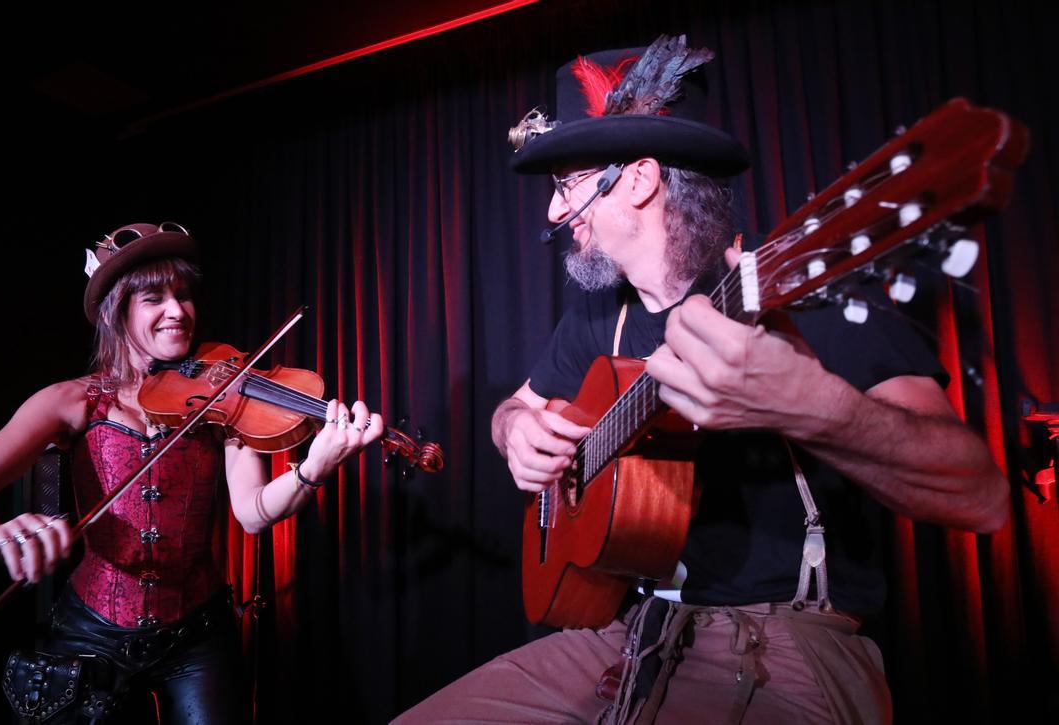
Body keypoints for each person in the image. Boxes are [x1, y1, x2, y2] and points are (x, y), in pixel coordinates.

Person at [396, 36, 1007, 724]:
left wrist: (814, 409)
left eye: (566, 185)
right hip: (624, 635)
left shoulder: (795, 297)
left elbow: (980, 495)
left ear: (637, 179)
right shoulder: (603, 315)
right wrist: (515, 430)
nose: (553, 212)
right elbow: (515, 407)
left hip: (782, 644)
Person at [0, 222, 384, 724]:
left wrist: (314, 468)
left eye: (184, 295)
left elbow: (254, 513)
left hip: (197, 633)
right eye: (154, 299)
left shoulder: (224, 396)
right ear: (116, 313)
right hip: (92, 630)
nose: (178, 311)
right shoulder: (73, 401)